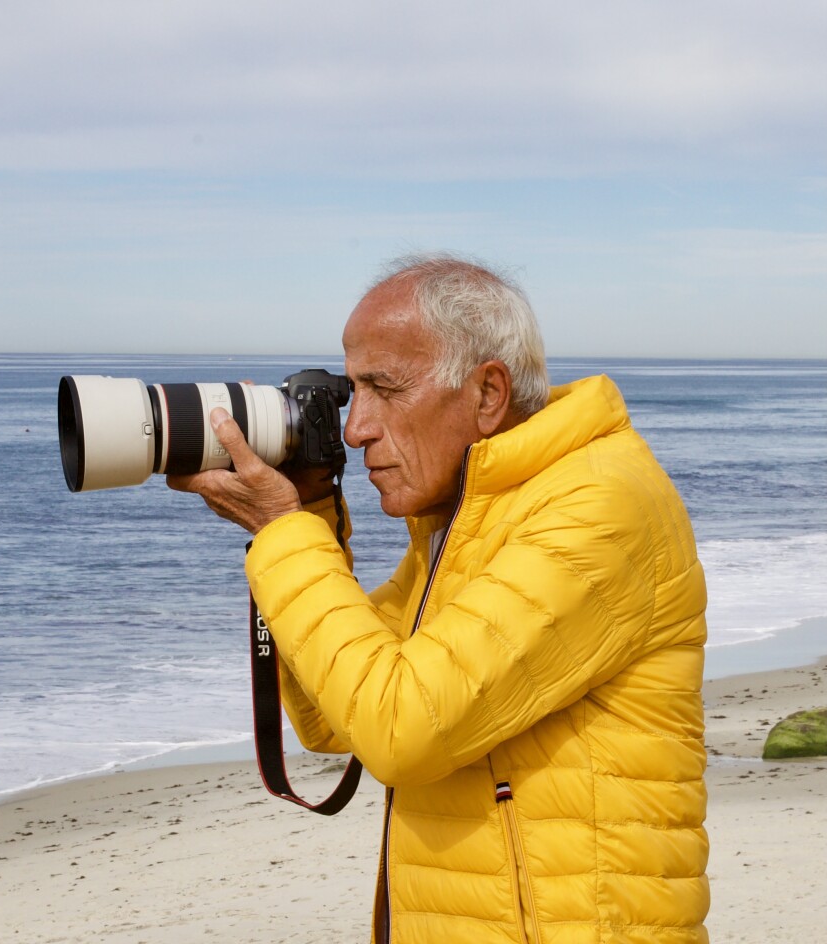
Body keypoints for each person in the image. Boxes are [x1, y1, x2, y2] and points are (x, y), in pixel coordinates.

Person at [169, 256, 710, 944]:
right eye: (351, 392)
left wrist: (283, 534)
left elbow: (400, 729)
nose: (356, 428)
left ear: (488, 393)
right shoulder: (470, 521)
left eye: (384, 389)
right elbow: (337, 719)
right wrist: (311, 516)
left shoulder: (597, 508)